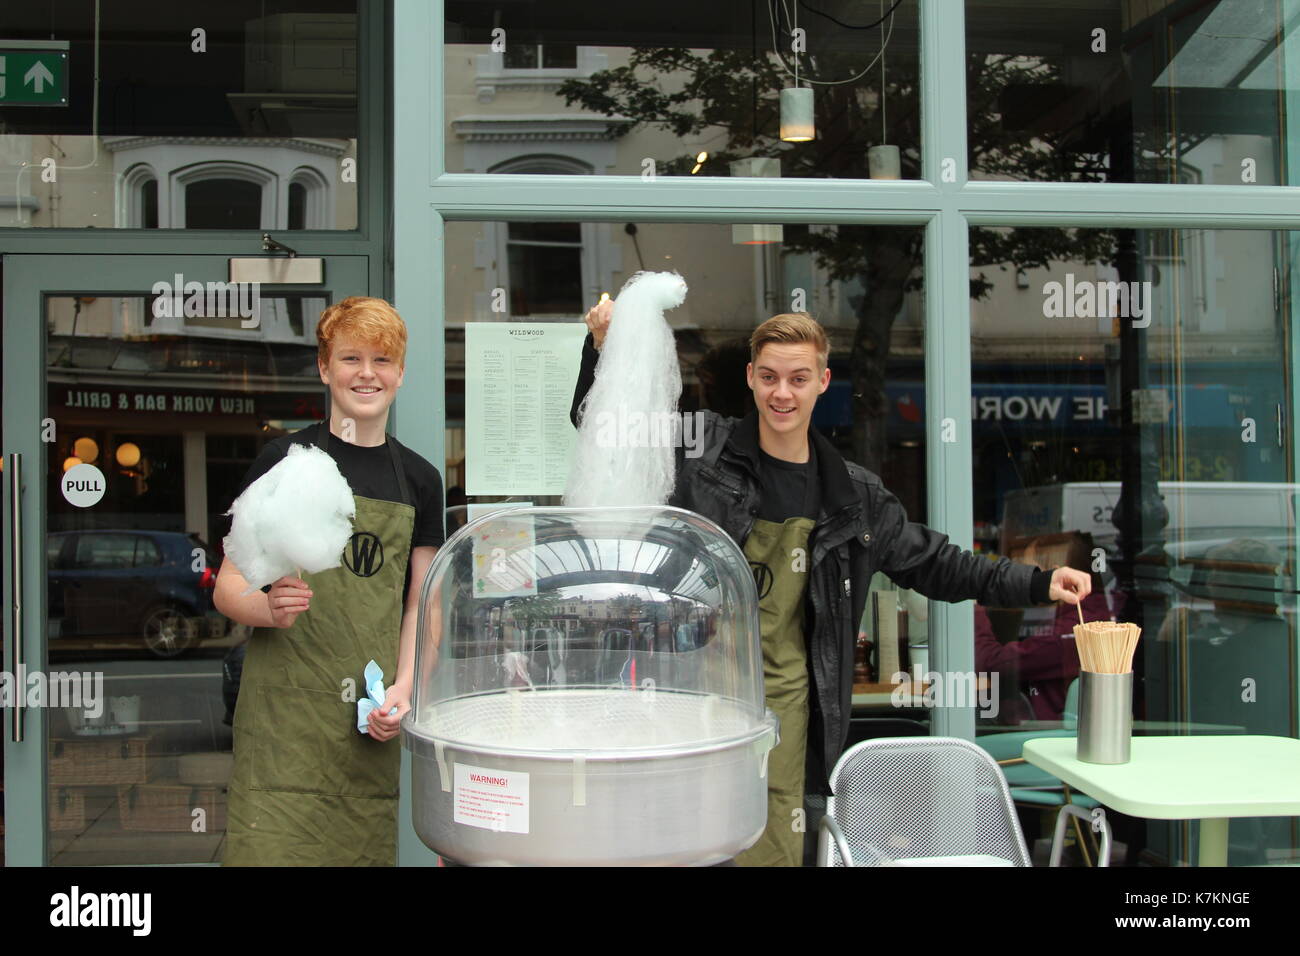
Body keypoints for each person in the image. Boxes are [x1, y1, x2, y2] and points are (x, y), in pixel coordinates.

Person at [570, 303, 1091, 866]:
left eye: (797, 379)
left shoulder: (853, 496)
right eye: (768, 377)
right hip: (693, 693)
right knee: (675, 835)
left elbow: (937, 563)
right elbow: (604, 429)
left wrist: (1038, 583)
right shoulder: (702, 452)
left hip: (790, 706)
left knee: (772, 845)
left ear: (822, 381)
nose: (782, 394)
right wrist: (601, 347)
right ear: (750, 378)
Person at [215, 296, 445, 866]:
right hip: (283, 727)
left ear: (400, 372)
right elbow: (229, 587)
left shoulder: (419, 479)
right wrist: (267, 609)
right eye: (351, 359)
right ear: (324, 369)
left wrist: (405, 690)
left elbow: (422, 607)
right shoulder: (284, 461)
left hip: (365, 725)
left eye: (382, 360)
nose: (367, 374)